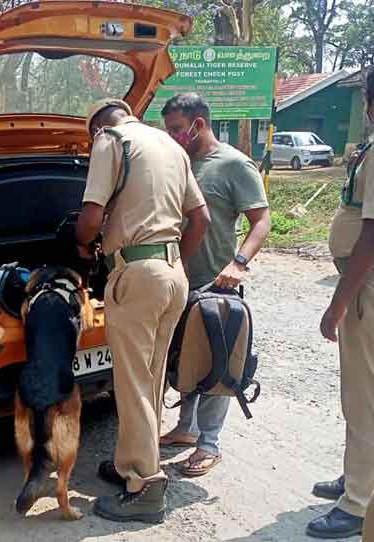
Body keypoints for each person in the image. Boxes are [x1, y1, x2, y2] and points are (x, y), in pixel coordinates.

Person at [76, 98, 210, 522]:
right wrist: (173, 264)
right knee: (149, 381)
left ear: (98, 126)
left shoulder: (110, 140)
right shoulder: (170, 144)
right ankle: (129, 464)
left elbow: (91, 217)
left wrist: (81, 242)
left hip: (137, 273)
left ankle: (146, 487)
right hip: (172, 274)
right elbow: (201, 218)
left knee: (132, 383)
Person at [310, 56, 374, 539]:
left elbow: (373, 233)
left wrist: (338, 303)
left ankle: (361, 502)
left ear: (372, 100)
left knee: (366, 393)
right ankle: (361, 476)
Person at [159, 93, 271, 477]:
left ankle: (210, 443)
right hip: (177, 281)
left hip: (216, 283)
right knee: (182, 359)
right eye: (168, 129)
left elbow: (262, 221)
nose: (172, 136)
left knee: (214, 363)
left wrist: (239, 263)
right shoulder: (177, 162)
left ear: (199, 124)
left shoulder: (234, 165)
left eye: (176, 129)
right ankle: (185, 429)